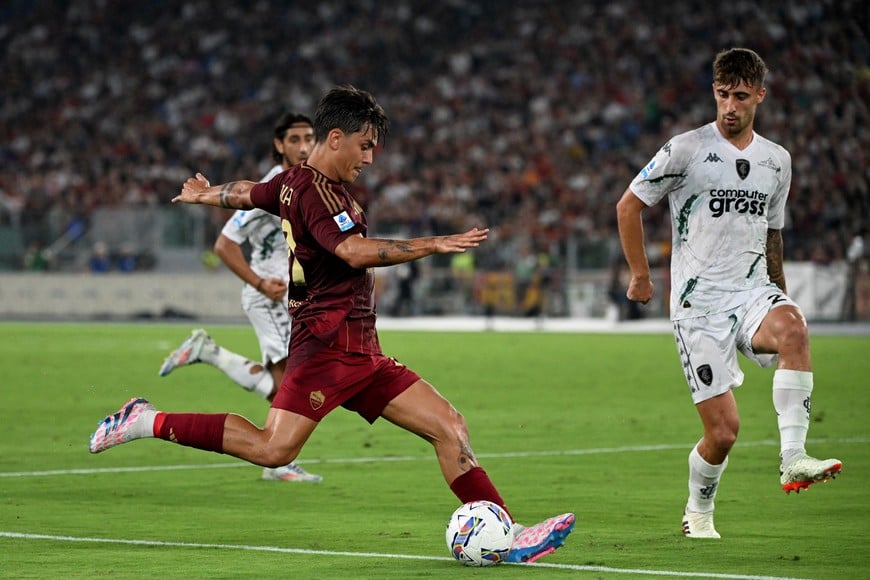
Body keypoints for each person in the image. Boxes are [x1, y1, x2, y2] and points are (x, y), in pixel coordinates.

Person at [89, 85, 575, 563]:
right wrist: (431, 243)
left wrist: (206, 195)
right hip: (326, 347)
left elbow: (246, 194)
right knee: (273, 449)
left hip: (360, 350)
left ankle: (506, 535)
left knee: (449, 426)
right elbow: (351, 251)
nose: (369, 159)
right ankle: (145, 421)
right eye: (365, 146)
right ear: (336, 137)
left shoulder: (291, 181)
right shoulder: (319, 193)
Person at [615, 48, 842, 539]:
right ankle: (698, 510)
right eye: (723, 95)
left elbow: (773, 232)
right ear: (713, 93)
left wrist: (778, 294)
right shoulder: (685, 150)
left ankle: (793, 458)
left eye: (741, 96)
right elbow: (628, 205)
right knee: (723, 433)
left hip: (751, 291)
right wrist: (640, 274)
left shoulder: (776, 161)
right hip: (699, 306)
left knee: (796, 328)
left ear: (760, 95)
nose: (730, 106)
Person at [158, 112, 321, 483]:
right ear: (279, 145)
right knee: (288, 386)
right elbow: (224, 244)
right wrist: (262, 284)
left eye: (309, 138)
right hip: (270, 295)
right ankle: (279, 462)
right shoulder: (268, 188)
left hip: (287, 296)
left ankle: (209, 352)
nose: (303, 146)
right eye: (294, 139)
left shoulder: (303, 183)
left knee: (286, 383)